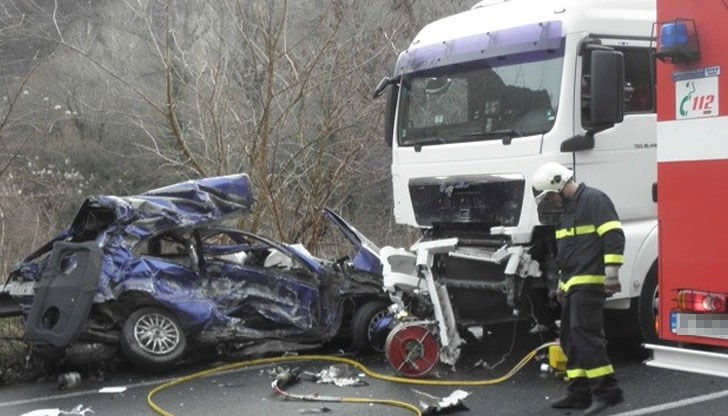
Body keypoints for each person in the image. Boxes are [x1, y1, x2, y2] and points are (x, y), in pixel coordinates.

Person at [532, 162, 625, 415]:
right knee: (569, 337)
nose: (551, 200)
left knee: (585, 335)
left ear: (559, 184)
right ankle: (579, 391)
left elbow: (613, 236)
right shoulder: (567, 212)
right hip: (574, 284)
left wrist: (612, 275)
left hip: (591, 282)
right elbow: (567, 255)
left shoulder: (594, 200)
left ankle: (608, 392)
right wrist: (562, 284)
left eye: (551, 195)